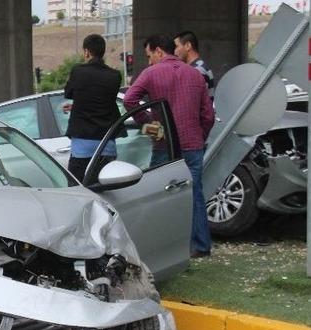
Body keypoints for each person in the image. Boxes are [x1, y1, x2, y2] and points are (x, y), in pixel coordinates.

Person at [124, 34, 215, 258]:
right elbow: (209, 116)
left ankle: (161, 245)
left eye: (149, 56)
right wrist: (199, 136)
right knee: (194, 194)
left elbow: (129, 100)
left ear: (158, 52)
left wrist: (150, 124)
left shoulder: (151, 74)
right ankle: (201, 245)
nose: (148, 62)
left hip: (165, 145)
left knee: (157, 195)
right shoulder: (195, 74)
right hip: (193, 144)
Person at [62, 33, 122, 182]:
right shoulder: (115, 75)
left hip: (82, 145)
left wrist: (79, 104)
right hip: (106, 143)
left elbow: (69, 93)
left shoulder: (78, 71)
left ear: (87, 51)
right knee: (107, 188)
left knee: (79, 189)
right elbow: (104, 99)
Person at [175, 31, 215, 100]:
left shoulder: (197, 70)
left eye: (176, 46)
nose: (174, 51)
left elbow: (192, 101)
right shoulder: (198, 67)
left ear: (188, 45)